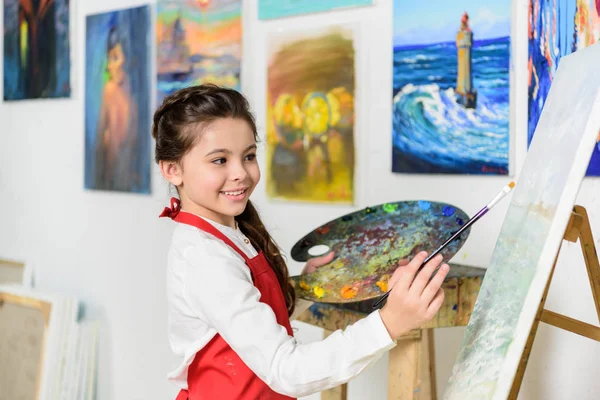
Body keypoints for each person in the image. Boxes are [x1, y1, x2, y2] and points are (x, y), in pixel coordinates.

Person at [152, 84, 449, 400]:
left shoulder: (229, 233)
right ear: (173, 170)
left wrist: (307, 286)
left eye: (249, 156)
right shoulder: (204, 257)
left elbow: (252, 316)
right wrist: (390, 322)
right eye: (219, 160)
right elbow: (286, 370)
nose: (241, 172)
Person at [94, 25, 138, 191]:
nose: (109, 66)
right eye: (109, 58)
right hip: (112, 167)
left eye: (115, 58)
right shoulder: (109, 90)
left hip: (127, 167)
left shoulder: (130, 91)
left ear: (127, 60)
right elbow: (102, 131)